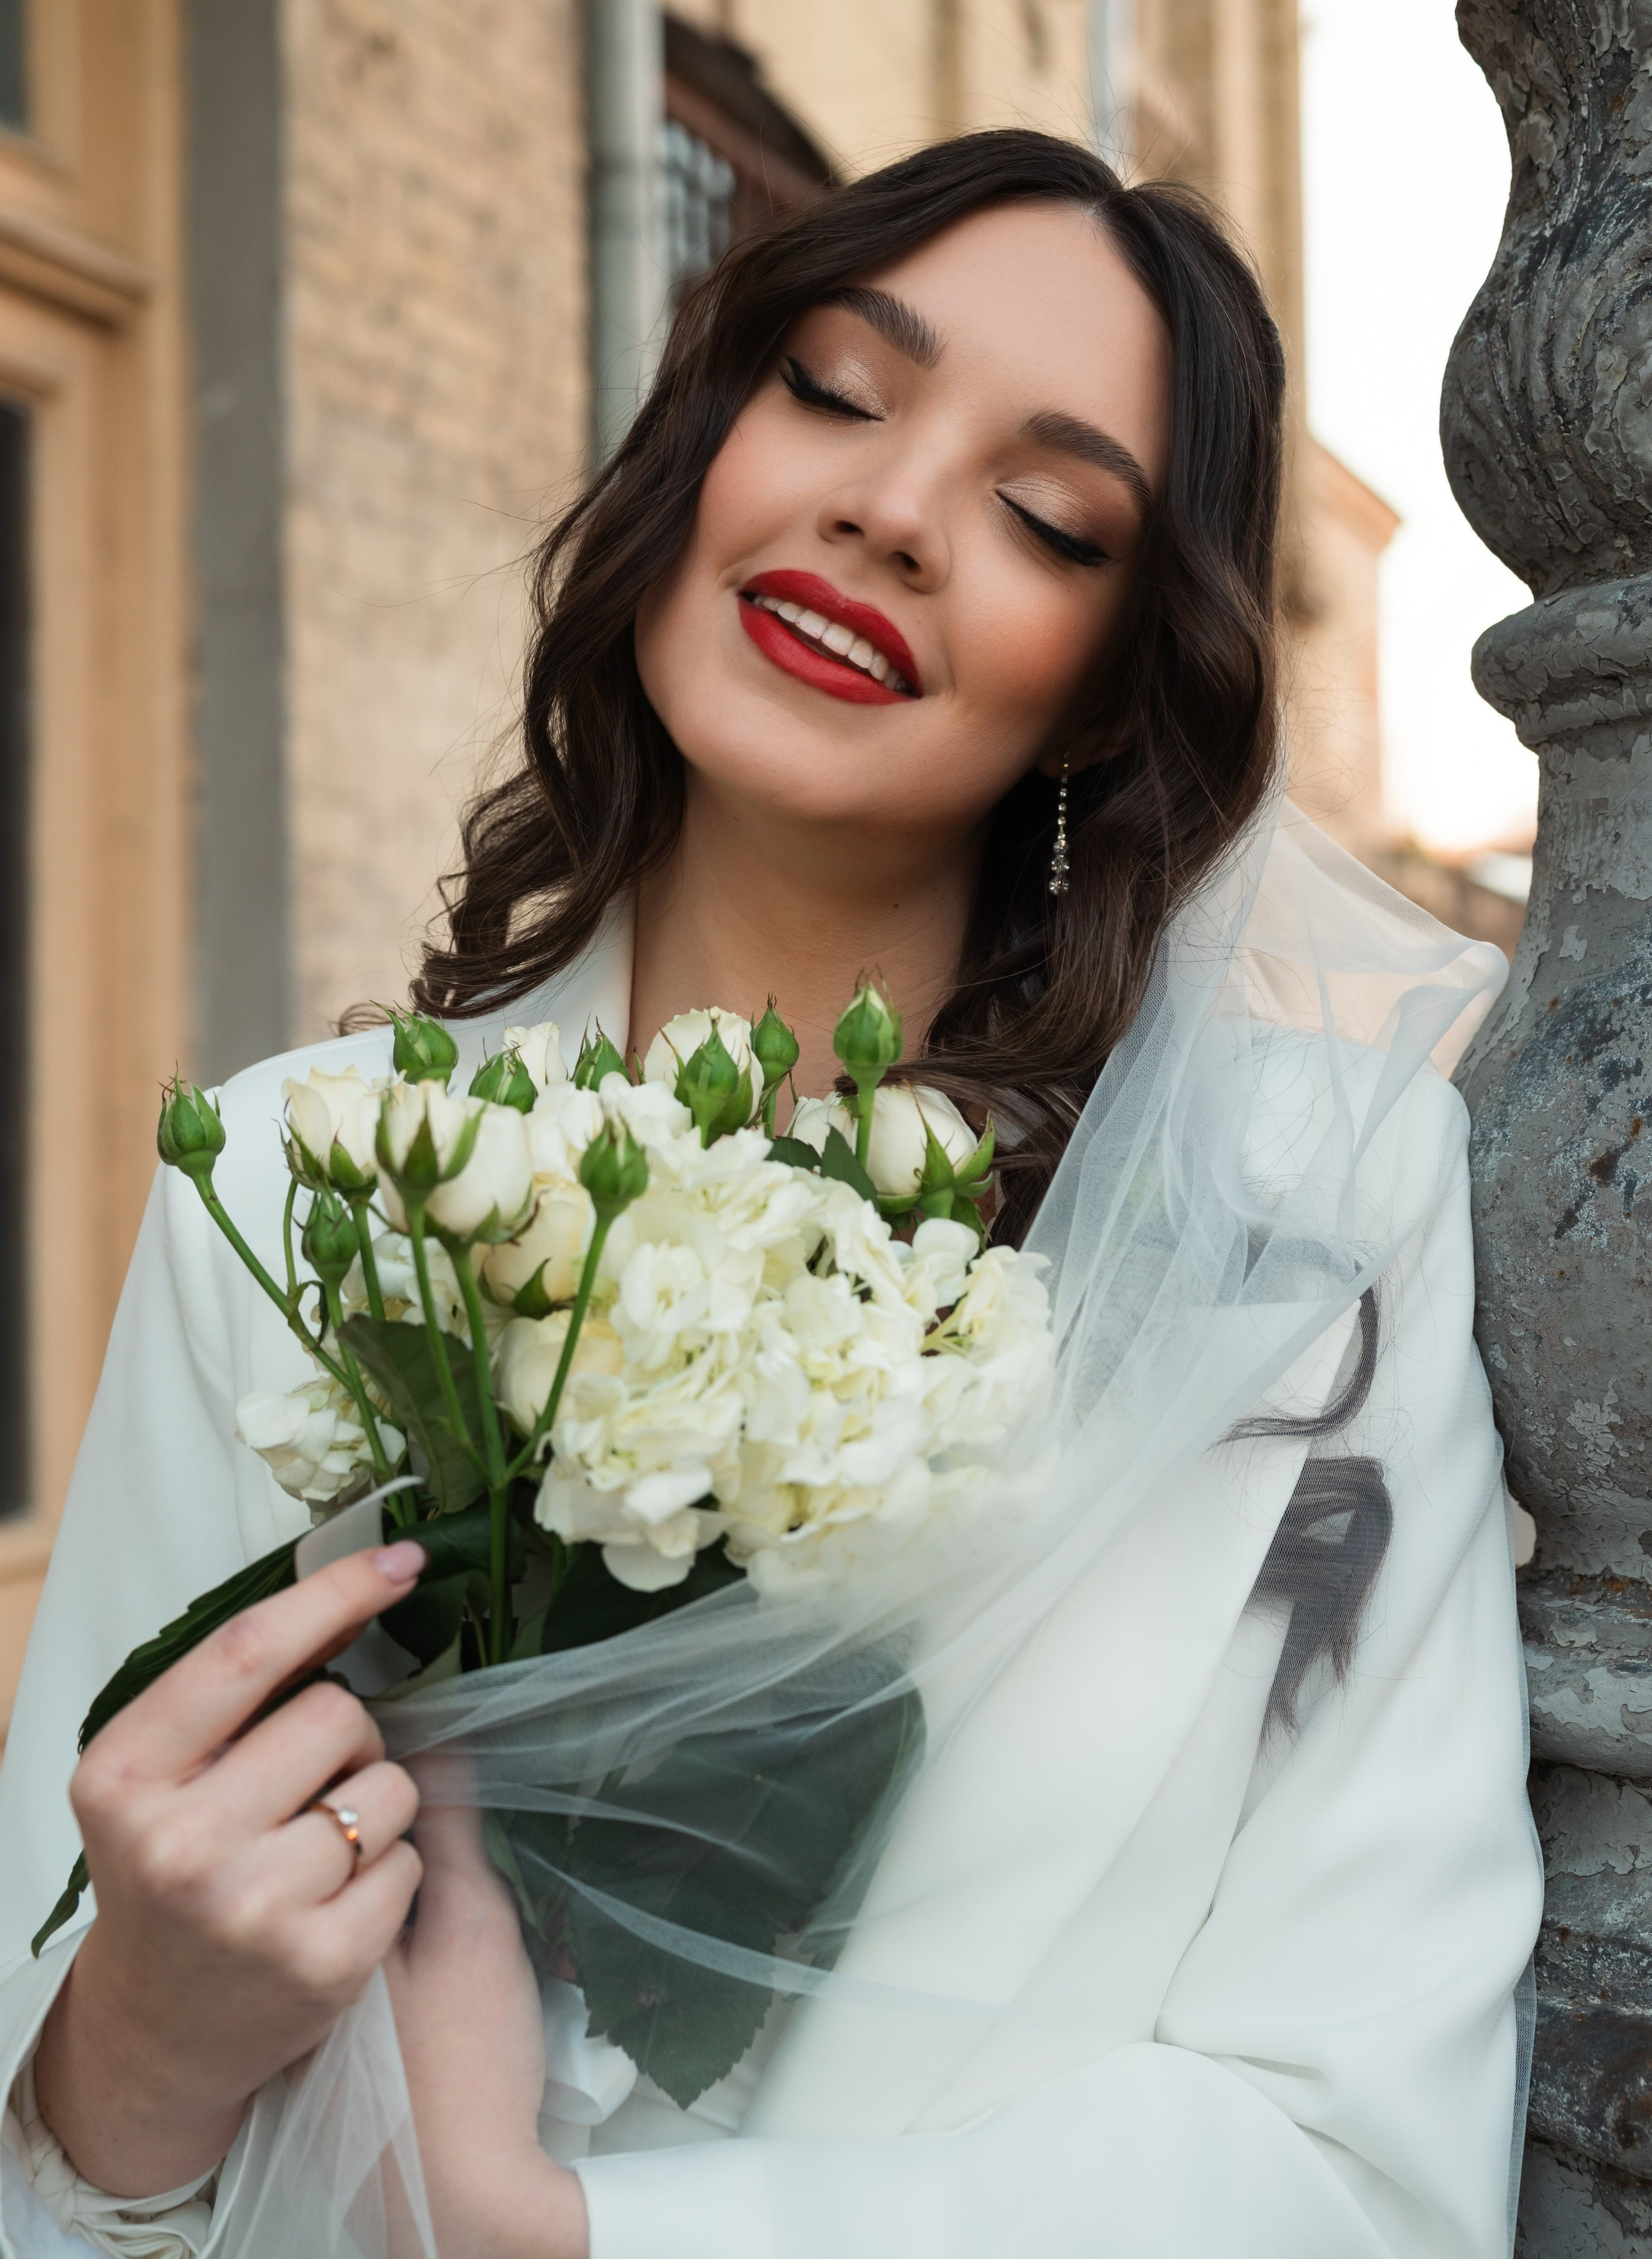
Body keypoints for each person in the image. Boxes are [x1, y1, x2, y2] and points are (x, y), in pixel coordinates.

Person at [0, 130, 1540, 2259]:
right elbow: (65, 2127)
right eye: (832, 385)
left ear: (1110, 676)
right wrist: (128, 2068)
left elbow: (1370, 2168)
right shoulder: (298, 1183)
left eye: (1042, 512)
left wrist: (559, 2236)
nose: (890, 510)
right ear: (702, 447)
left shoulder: (1307, 1225)